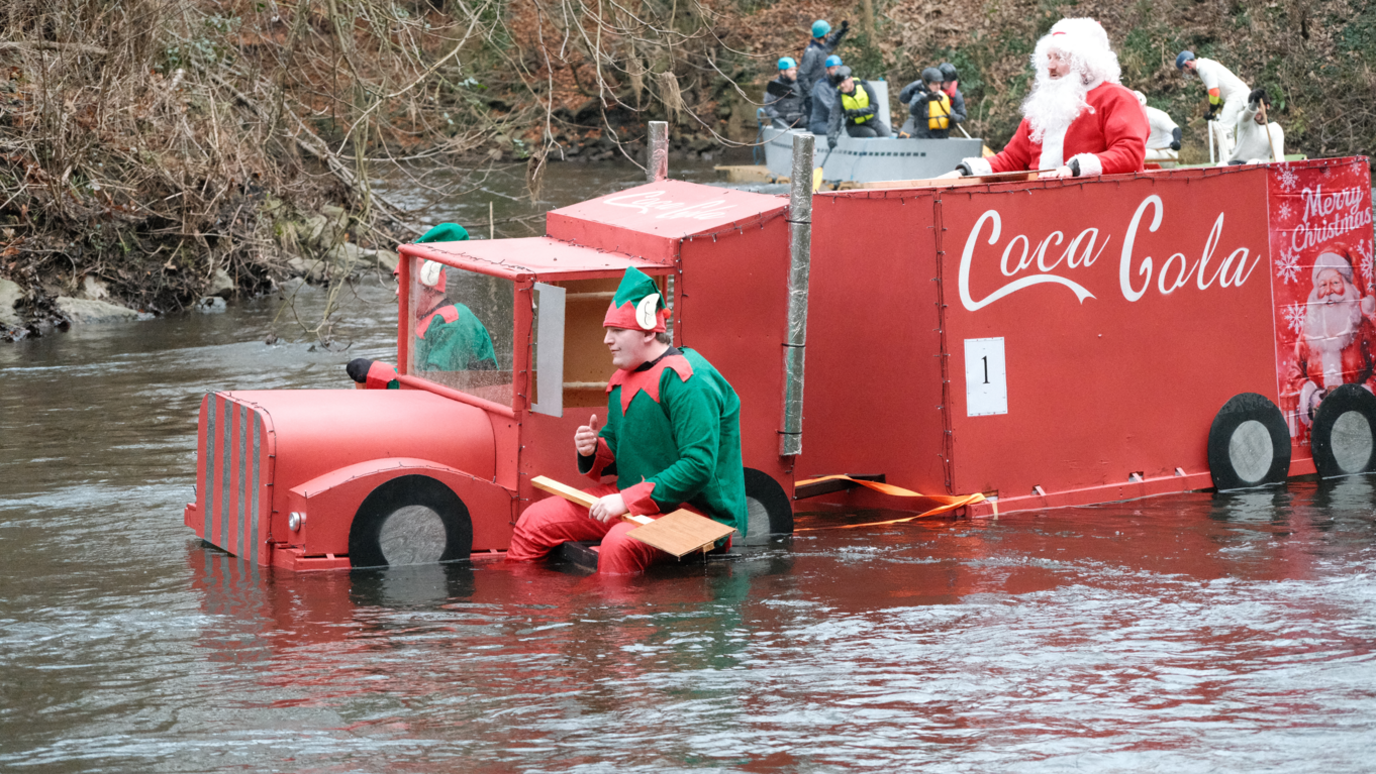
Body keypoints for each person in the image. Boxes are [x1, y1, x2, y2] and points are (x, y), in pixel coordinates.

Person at [507, 267, 748, 575]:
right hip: (635, 499)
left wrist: (626, 500)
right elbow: (621, 450)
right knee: (533, 521)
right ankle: (526, 617)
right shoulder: (624, 377)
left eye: (617, 331)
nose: (607, 340)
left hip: (698, 513)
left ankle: (618, 622)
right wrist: (594, 449)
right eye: (608, 331)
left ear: (649, 332)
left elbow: (699, 466)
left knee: (620, 544)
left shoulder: (688, 379)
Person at [946, 18, 1147, 179]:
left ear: (1084, 62)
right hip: (1042, 211)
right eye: (1048, 57)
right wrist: (965, 171)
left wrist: (1077, 167)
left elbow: (1129, 154)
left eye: (1059, 58)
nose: (1050, 66)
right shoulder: (1043, 106)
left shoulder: (1117, 98)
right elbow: (1013, 160)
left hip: (1095, 212)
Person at [1287, 246, 1376, 429]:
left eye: (1335, 283)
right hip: (1321, 426)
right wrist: (1312, 396)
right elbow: (1293, 377)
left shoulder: (1363, 328)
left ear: (1347, 286)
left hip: (1361, 424)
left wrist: (1363, 394)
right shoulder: (1307, 335)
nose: (1328, 291)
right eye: (1323, 285)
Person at [1176, 51, 1250, 158]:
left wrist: (1212, 109)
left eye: (1184, 69)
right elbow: (1218, 92)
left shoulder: (1204, 68)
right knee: (1239, 127)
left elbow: (1214, 91)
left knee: (1223, 127)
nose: (1186, 73)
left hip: (1237, 96)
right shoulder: (1205, 65)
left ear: (1187, 64)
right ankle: (1235, 157)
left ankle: (1230, 160)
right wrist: (1214, 108)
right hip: (1238, 96)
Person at [827, 66, 891, 147]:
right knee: (872, 135)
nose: (842, 85)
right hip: (855, 126)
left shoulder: (865, 86)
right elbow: (833, 117)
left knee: (888, 137)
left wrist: (857, 112)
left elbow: (875, 106)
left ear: (850, 79)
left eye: (843, 82)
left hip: (873, 122)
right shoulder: (839, 97)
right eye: (839, 84)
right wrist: (830, 138)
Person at [797, 18, 850, 116]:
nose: (829, 34)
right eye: (828, 33)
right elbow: (801, 76)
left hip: (822, 92)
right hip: (813, 98)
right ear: (824, 35)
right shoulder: (811, 52)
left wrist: (842, 31)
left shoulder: (821, 47)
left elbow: (832, 40)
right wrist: (811, 93)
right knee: (813, 127)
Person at [1224, 88, 1284, 164]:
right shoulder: (1244, 120)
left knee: (1254, 162)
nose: (1257, 110)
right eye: (1254, 106)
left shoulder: (1275, 129)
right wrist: (1254, 102)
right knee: (1221, 165)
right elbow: (1248, 113)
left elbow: (1279, 159)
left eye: (1259, 106)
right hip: (1237, 165)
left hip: (1260, 168)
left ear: (1267, 106)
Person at [898, 67, 954, 139]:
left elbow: (951, 112)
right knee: (904, 136)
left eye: (939, 83)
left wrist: (952, 119)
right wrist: (925, 101)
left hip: (938, 134)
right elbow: (913, 110)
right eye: (935, 83)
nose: (938, 87)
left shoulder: (941, 96)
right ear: (927, 84)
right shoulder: (920, 94)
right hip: (921, 131)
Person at [1133, 90, 1182, 160]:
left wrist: (1176, 140)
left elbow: (1175, 129)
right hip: (1147, 153)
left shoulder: (1156, 115)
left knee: (1137, 155)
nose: (1139, 110)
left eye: (1141, 107)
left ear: (1145, 105)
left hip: (1165, 153)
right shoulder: (1129, 118)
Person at [762, 57, 807, 128]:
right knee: (785, 129)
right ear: (782, 72)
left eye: (795, 69)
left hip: (798, 118)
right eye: (791, 70)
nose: (794, 72)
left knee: (810, 123)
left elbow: (805, 103)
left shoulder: (800, 85)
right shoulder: (774, 86)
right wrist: (777, 115)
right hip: (781, 119)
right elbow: (768, 106)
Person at [808, 55, 845, 135]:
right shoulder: (821, 86)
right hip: (821, 123)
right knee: (836, 133)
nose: (836, 71)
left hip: (836, 122)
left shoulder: (843, 84)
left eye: (838, 68)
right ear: (827, 71)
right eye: (833, 68)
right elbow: (832, 107)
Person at [938, 62, 968, 127]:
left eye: (952, 81)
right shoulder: (929, 86)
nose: (950, 84)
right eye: (948, 81)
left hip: (943, 126)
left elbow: (962, 116)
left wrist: (951, 115)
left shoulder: (956, 95)